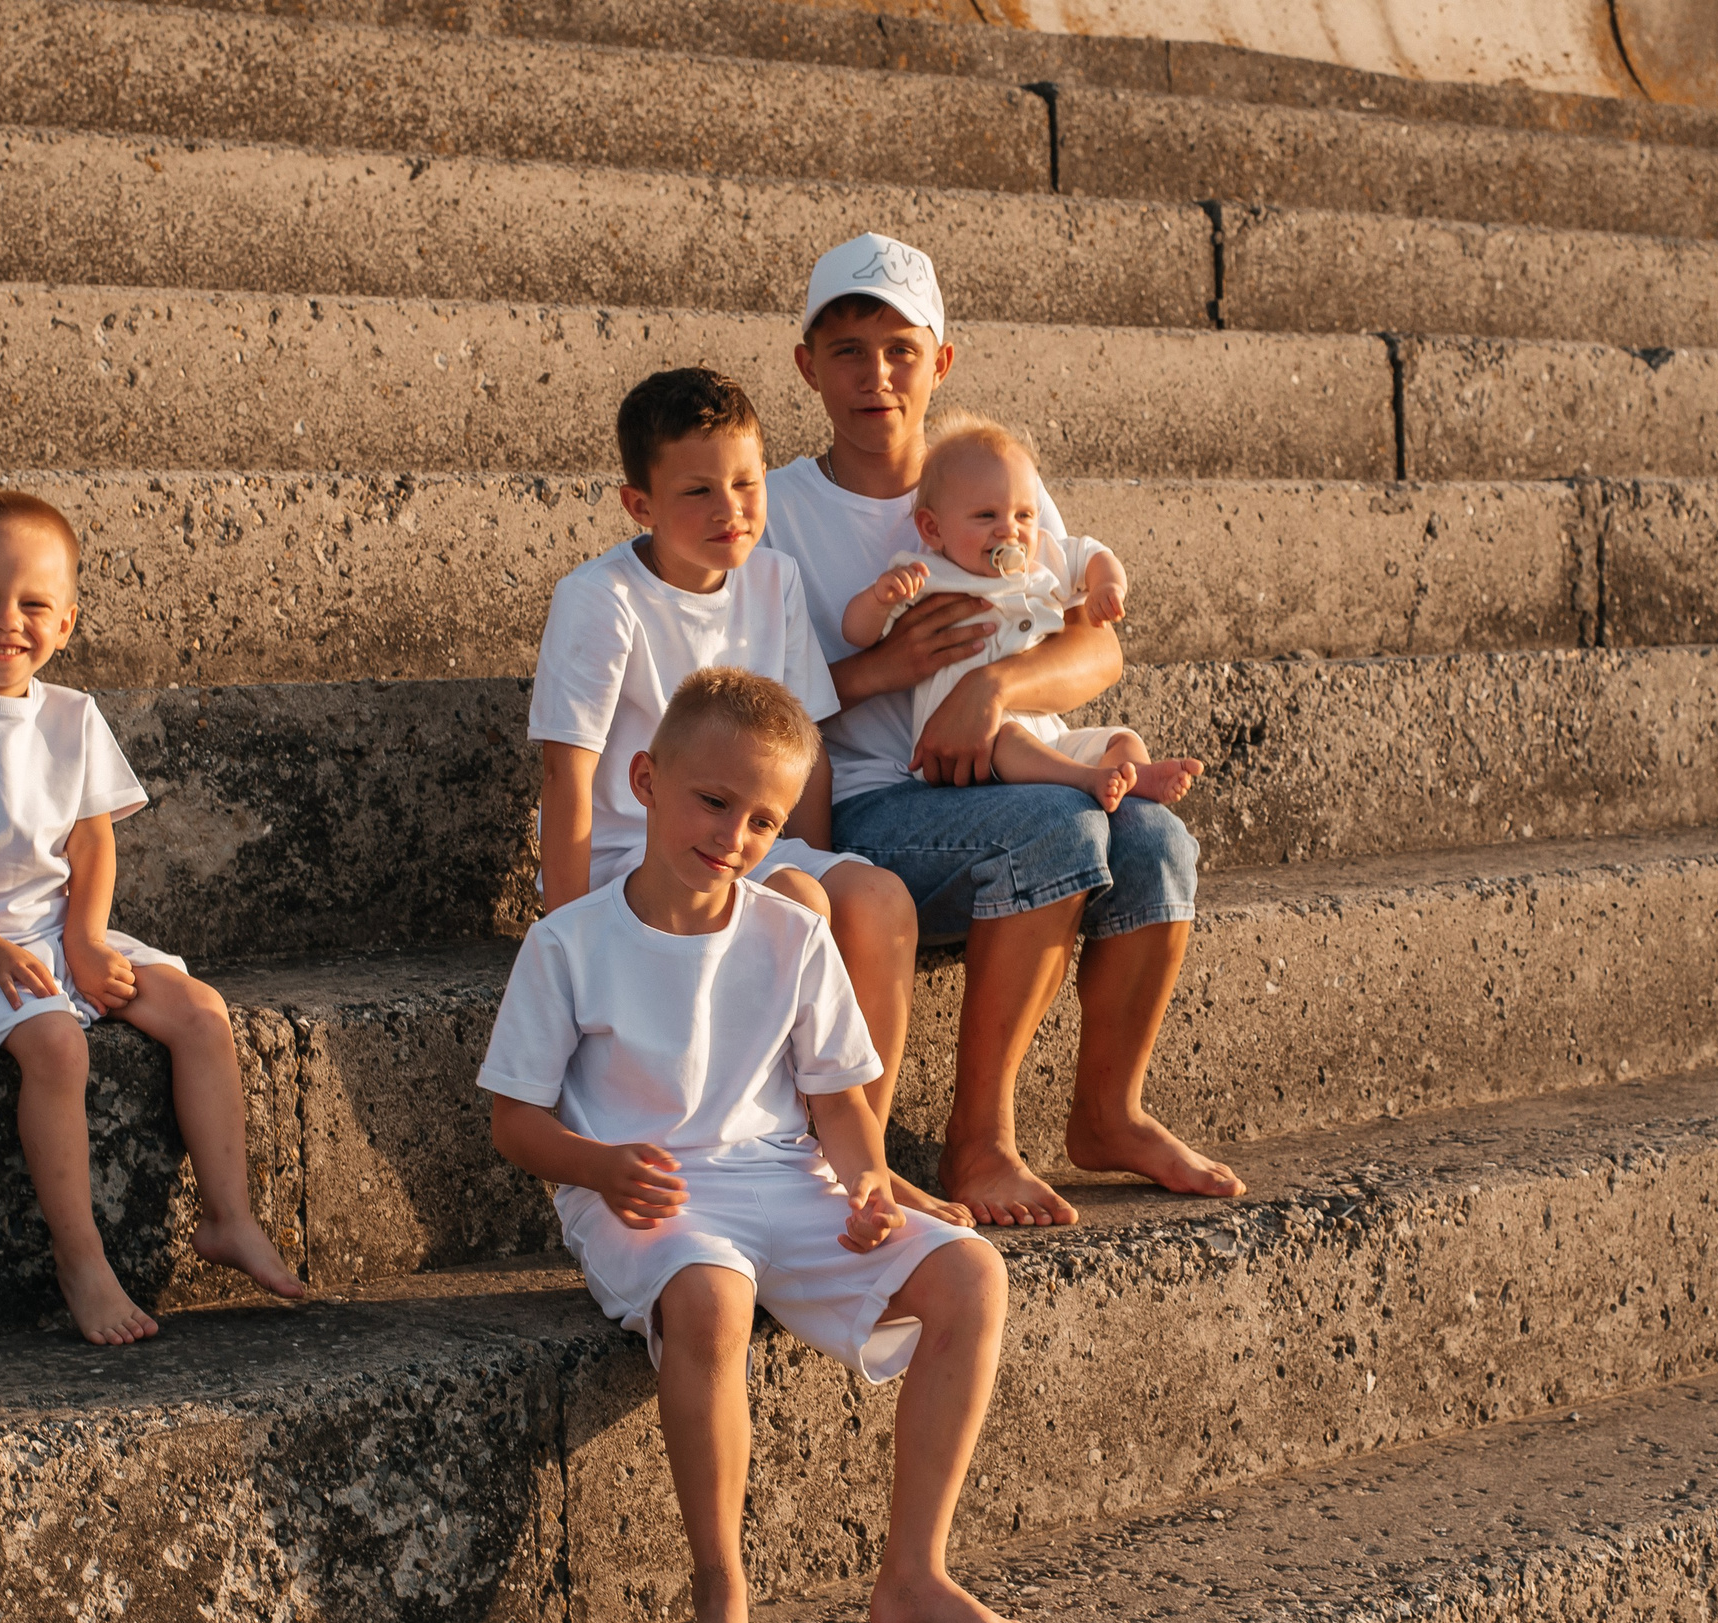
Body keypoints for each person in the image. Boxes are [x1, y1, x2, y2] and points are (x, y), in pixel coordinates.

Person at [482, 667, 1036, 1623]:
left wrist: (870, 1177)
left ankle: (914, 1568)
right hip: (641, 1189)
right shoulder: (569, 942)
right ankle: (719, 1589)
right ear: (644, 779)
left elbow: (835, 1097)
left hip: (782, 1171)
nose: (735, 834)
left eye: (763, 818)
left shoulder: (790, 931)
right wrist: (599, 1164)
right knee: (710, 1295)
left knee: (970, 1275)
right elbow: (516, 1123)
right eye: (713, 800)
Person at [763, 233, 1247, 1226]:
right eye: (847, 350)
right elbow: (751, 702)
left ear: (939, 362)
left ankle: (1108, 1112)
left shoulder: (985, 471)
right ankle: (978, 1142)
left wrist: (994, 688)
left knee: (1155, 837)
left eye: (901, 350)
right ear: (808, 365)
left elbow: (1096, 649)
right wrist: (883, 671)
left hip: (1004, 769)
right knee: (1054, 828)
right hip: (871, 804)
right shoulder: (776, 510)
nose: (876, 376)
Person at [0, 489, 303, 1346]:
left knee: (200, 1011)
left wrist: (87, 939)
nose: (5, 620)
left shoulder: (71, 714)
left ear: (67, 620)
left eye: (32, 604)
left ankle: (227, 1214)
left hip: (54, 926)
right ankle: (81, 1258)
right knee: (57, 1043)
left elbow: (93, 844)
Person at [529, 366, 931, 1155]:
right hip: (635, 856)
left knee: (879, 900)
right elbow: (565, 777)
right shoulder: (601, 600)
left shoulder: (774, 579)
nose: (731, 510)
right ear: (639, 504)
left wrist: (807, 855)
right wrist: (569, 939)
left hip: (749, 839)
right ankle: (800, 1144)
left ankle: (861, 1158)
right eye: (697, 492)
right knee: (797, 906)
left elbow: (803, 754)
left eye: (747, 483)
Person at [843, 412, 1205, 814]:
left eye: (1024, 515)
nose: (1009, 531)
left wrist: (1107, 586)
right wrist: (879, 599)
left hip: (1047, 734)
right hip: (969, 745)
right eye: (986, 516)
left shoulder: (1042, 557)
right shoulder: (928, 574)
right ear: (933, 529)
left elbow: (1093, 554)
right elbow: (856, 632)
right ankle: (1086, 780)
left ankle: (1134, 772)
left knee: (1119, 737)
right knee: (1009, 740)